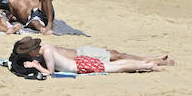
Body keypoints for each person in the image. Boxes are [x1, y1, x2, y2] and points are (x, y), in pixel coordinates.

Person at [9, 38, 173, 76]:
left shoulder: (45, 52)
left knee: (116, 57)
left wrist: (36, 66)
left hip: (81, 57)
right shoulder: (43, 51)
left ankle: (150, 61)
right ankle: (150, 62)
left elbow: (50, 71)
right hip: (79, 60)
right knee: (117, 62)